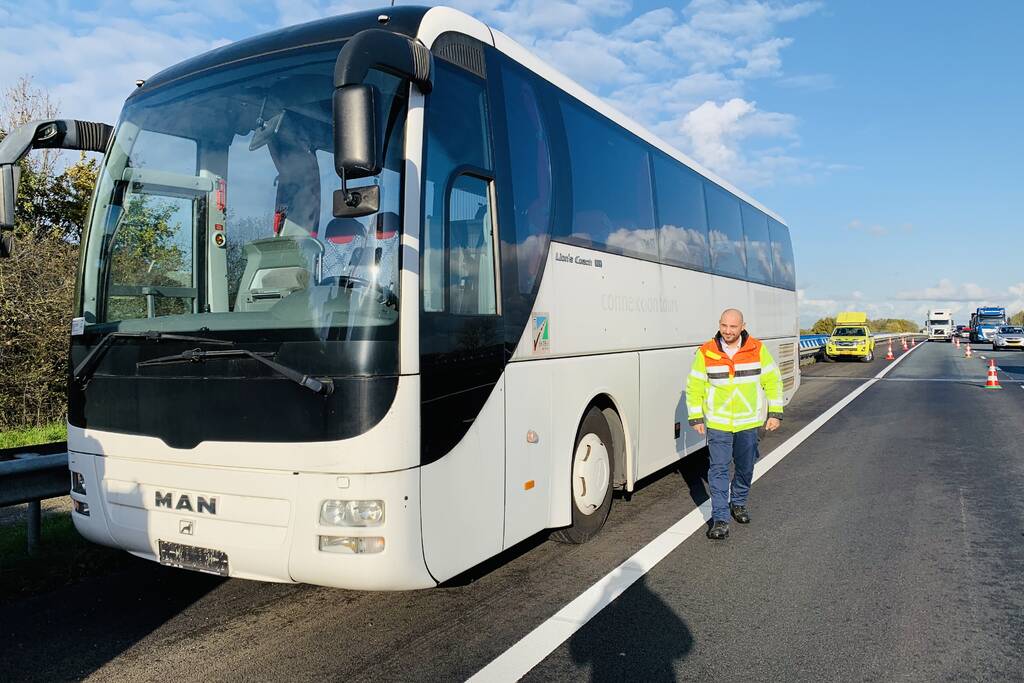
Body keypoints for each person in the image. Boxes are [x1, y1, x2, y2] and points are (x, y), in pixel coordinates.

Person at [686, 308, 784, 540]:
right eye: (724, 326)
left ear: (742, 326)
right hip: (718, 423)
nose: (728, 331)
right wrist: (696, 416)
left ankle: (738, 502)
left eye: (733, 327)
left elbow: (773, 381)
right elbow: (695, 386)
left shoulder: (757, 349)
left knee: (745, 467)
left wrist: (775, 412)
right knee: (718, 469)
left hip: (748, 422)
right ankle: (720, 518)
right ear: (719, 324)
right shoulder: (707, 351)